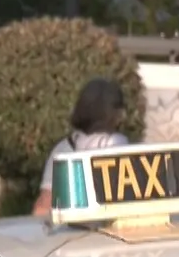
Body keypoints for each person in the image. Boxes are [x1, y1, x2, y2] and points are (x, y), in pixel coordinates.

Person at [31, 78, 130, 215]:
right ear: (114, 113)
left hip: (69, 234)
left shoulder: (62, 149)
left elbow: (42, 206)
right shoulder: (118, 145)